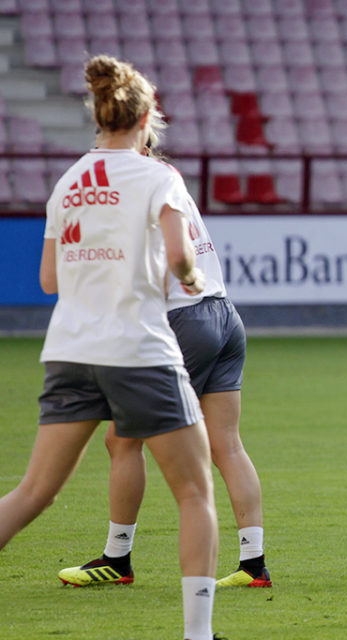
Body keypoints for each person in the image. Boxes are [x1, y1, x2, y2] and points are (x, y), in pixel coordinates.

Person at [0, 55, 222, 640]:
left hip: (70, 351)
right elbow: (180, 257)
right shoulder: (157, 177)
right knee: (194, 493)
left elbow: (49, 280)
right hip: (139, 350)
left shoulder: (69, 181)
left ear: (97, 116)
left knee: (33, 493)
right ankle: (198, 633)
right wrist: (191, 276)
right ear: (147, 118)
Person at [56, 137, 271, 590]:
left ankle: (117, 558)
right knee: (227, 444)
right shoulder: (167, 177)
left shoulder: (132, 184)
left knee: (121, 440)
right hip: (223, 313)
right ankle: (254, 565)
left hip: (182, 319)